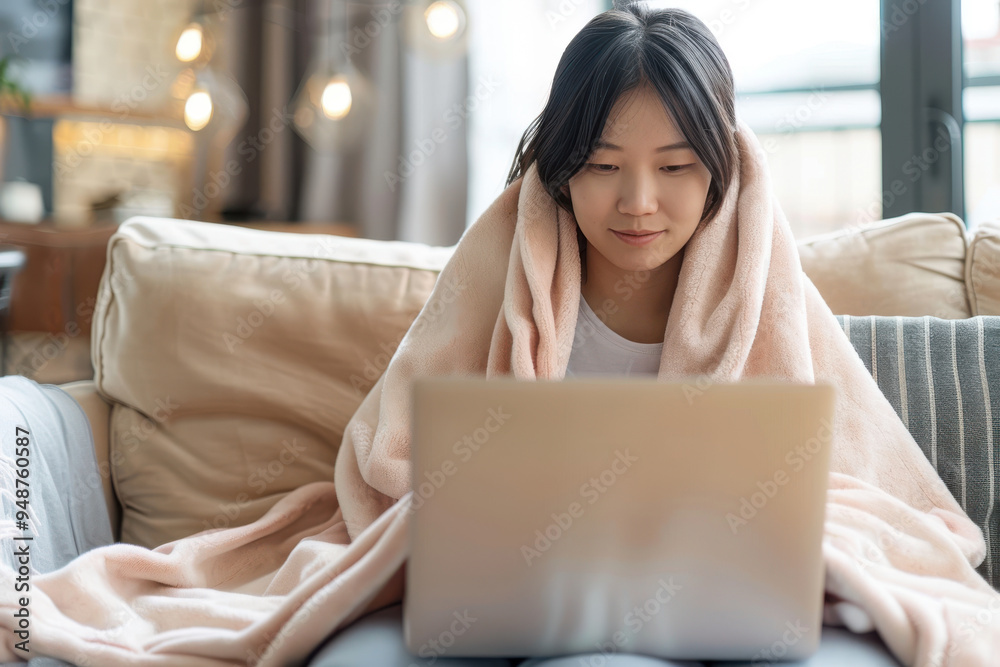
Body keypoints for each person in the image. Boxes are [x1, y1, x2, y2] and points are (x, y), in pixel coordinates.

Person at [307, 3, 907, 665]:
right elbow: (389, 453)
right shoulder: (503, 258)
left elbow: (855, 489)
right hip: (516, 588)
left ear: (720, 167)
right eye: (602, 166)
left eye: (675, 167)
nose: (639, 202)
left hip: (714, 598)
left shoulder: (759, 271)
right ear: (563, 168)